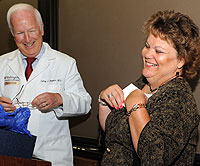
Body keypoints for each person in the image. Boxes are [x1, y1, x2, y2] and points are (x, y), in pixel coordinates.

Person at [98, 10, 200, 165]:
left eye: (158, 51)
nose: (147, 54)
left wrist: (136, 107)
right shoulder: (141, 84)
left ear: (181, 60)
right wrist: (105, 102)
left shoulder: (179, 100)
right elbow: (114, 132)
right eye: (147, 46)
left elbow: (154, 158)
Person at [0, 3, 91, 166]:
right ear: (13, 35)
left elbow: (85, 103)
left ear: (42, 29)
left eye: (32, 30)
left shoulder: (65, 63)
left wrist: (59, 99)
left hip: (51, 156)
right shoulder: (2, 63)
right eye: (20, 33)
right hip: (10, 155)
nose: (27, 39)